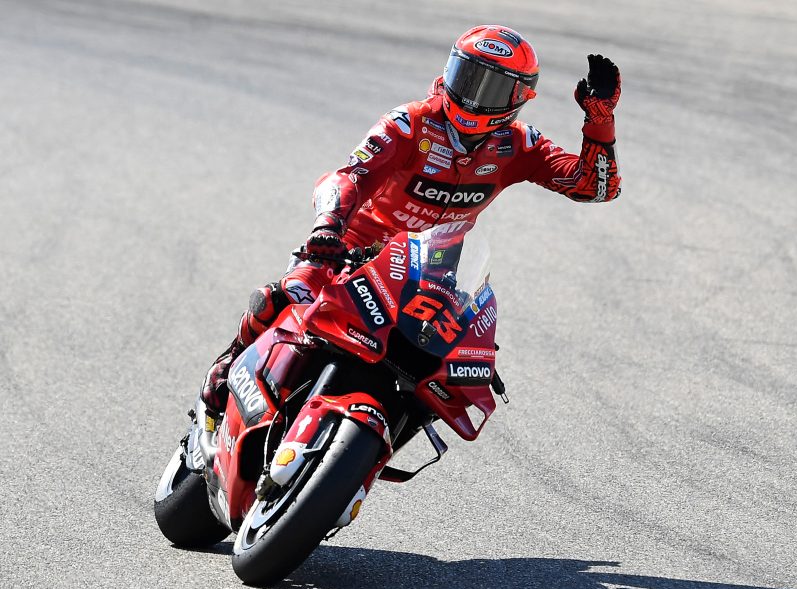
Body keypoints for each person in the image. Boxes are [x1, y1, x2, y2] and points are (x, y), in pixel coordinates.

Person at [200, 24, 623, 414]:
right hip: (352, 252)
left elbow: (594, 187)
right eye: (467, 76)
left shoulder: (519, 146)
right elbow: (350, 177)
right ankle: (230, 361)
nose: (473, 95)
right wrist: (328, 226)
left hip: (429, 274)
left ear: (518, 98)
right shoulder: (410, 123)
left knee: (441, 376)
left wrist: (599, 121)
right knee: (288, 295)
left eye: (491, 86)